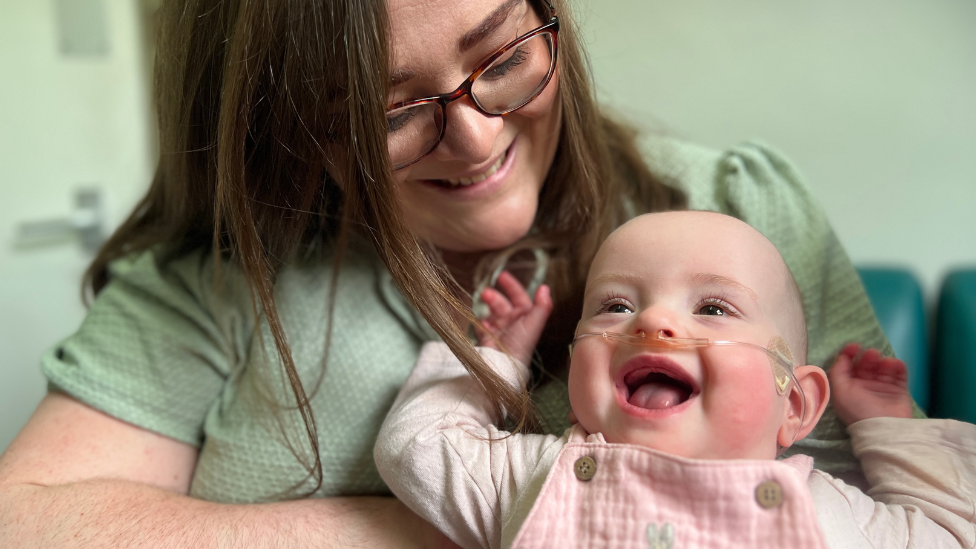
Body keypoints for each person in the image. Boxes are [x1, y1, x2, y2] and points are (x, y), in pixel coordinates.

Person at [0, 0, 910, 546]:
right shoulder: (216, 284)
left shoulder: (731, 203)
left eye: (505, 59)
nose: (477, 140)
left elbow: (861, 502)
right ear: (290, 131)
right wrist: (519, 518)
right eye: (391, 113)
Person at [375, 211, 976, 549]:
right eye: (615, 306)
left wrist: (886, 427)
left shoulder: (833, 517)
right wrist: (498, 360)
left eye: (712, 309)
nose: (655, 322)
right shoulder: (534, 477)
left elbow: (954, 533)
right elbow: (418, 449)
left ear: (793, 403)